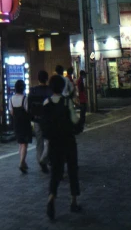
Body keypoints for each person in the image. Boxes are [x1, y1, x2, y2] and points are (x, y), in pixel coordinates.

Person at [41, 74, 81, 220]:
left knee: (55, 173)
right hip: (68, 141)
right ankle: (74, 201)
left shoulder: (46, 103)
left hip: (53, 142)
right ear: (63, 87)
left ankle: (51, 197)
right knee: (72, 171)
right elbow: (74, 120)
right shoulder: (66, 102)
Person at [28, 70, 52, 173]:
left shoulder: (33, 90)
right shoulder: (50, 90)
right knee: (49, 141)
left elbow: (29, 105)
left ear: (38, 79)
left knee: (39, 141)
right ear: (47, 79)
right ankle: (44, 160)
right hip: (47, 120)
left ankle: (41, 161)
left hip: (37, 119)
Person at [8, 79, 32, 174]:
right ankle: (21, 162)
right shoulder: (25, 98)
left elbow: (11, 112)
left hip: (16, 124)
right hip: (25, 123)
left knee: (20, 143)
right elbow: (28, 110)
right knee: (24, 144)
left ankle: (23, 162)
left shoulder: (11, 99)